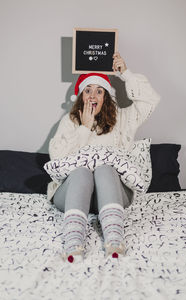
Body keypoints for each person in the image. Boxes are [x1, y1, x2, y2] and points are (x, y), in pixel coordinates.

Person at [47, 52, 160, 263]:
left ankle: (115, 242)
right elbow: (56, 158)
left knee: (105, 168)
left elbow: (150, 101)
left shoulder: (121, 120)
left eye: (99, 91)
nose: (92, 96)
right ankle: (73, 245)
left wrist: (125, 74)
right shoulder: (69, 121)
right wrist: (84, 129)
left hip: (112, 196)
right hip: (73, 195)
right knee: (81, 172)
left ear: (106, 97)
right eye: (87, 90)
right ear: (80, 95)